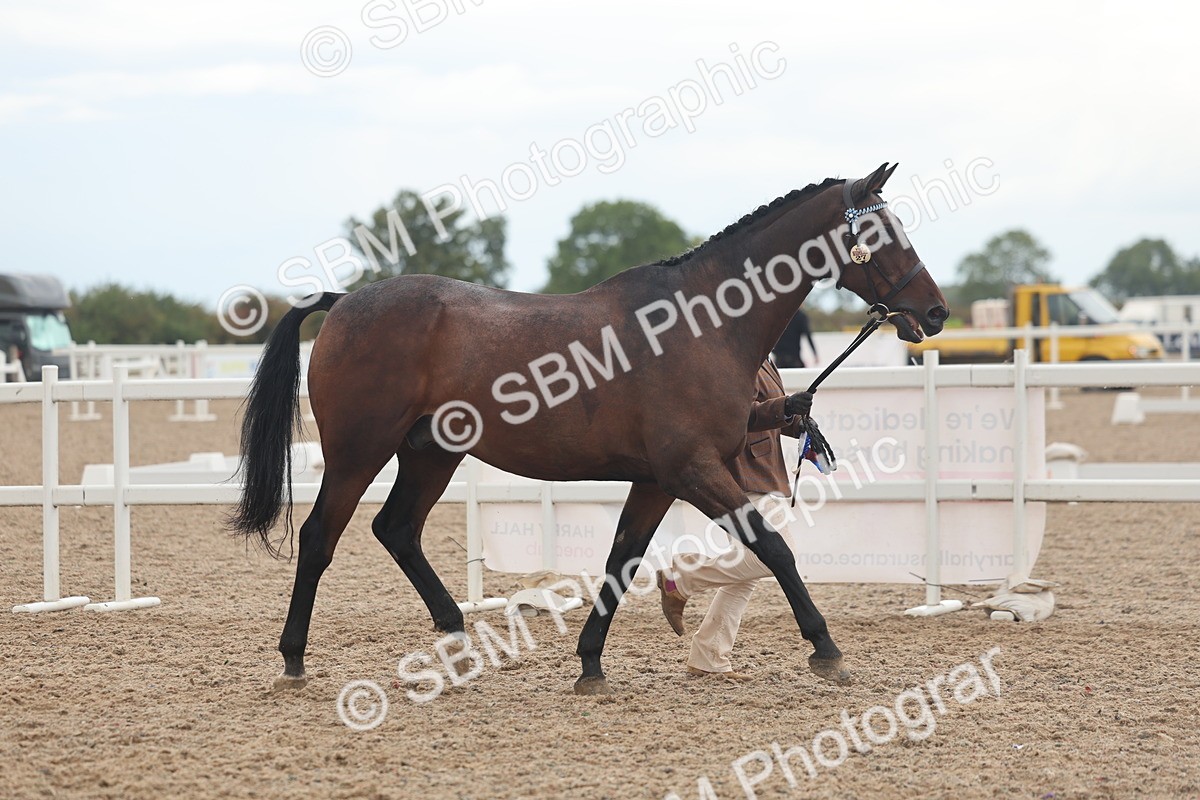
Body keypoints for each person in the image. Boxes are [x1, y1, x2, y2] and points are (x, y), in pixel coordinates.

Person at [655, 359, 811, 680]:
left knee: (746, 574)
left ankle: (708, 656)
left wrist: (797, 421)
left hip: (764, 472)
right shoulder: (732, 357)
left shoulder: (766, 358)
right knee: (777, 556)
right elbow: (735, 413)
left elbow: (771, 413)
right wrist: (783, 406)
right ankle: (681, 578)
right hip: (743, 473)